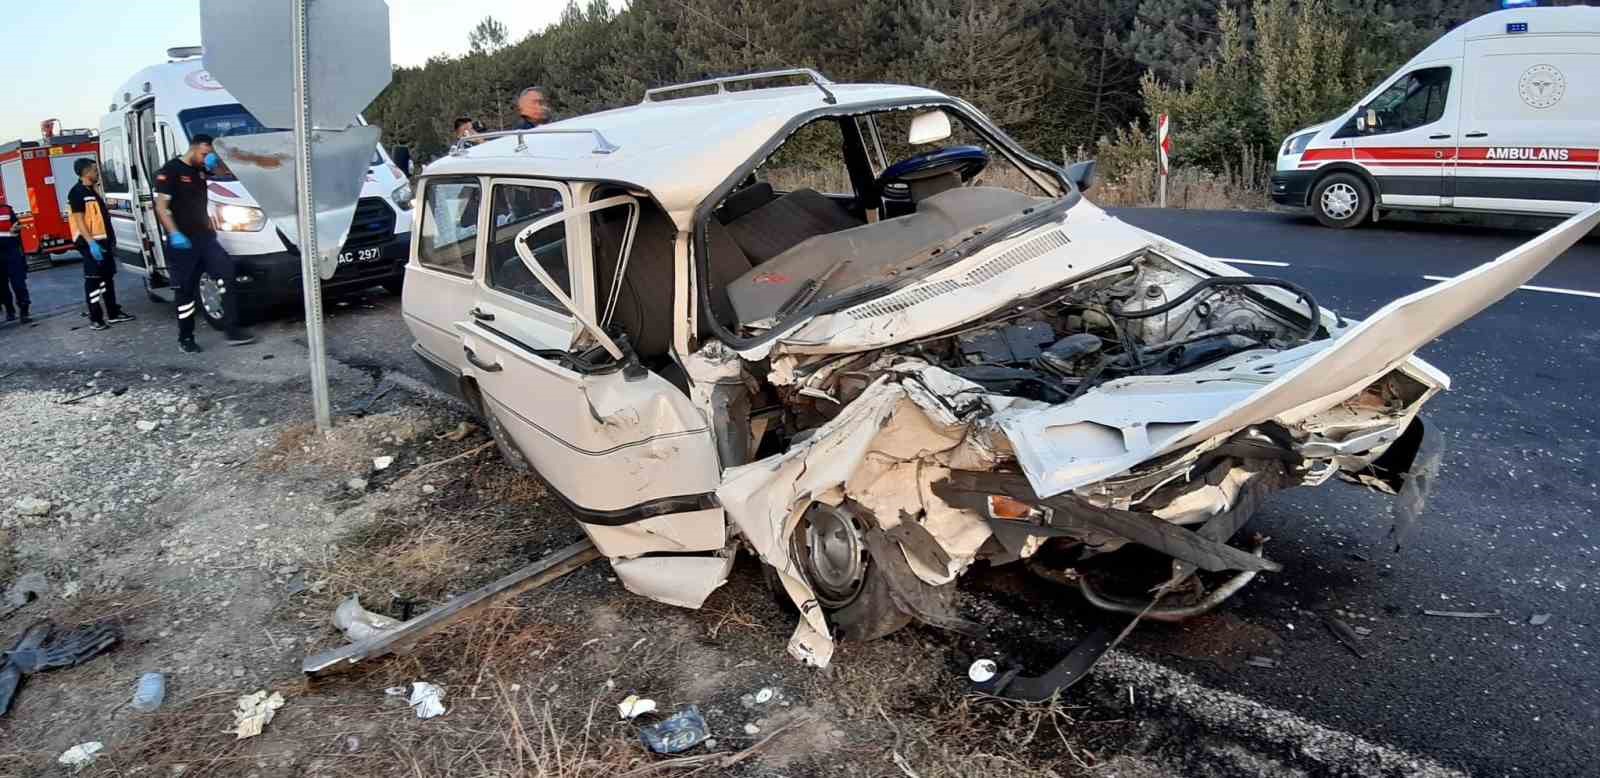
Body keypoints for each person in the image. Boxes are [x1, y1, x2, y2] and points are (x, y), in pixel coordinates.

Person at [154, 134, 255, 352]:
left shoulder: (200, 170)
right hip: (182, 241)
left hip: (205, 238)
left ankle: (232, 329)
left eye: (209, 154)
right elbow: (161, 207)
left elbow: (223, 175)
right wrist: (174, 234)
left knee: (226, 274)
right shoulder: (170, 171)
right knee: (185, 290)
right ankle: (186, 338)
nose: (206, 158)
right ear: (194, 148)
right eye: (205, 153)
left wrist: (214, 161)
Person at [68, 159, 133, 330]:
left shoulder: (93, 190)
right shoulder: (77, 192)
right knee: (93, 281)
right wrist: (90, 243)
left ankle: (113, 313)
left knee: (107, 278)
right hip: (91, 243)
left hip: (103, 241)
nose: (97, 173)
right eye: (95, 170)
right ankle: (95, 318)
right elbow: (79, 220)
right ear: (85, 172)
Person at [0, 201, 28, 324]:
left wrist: (16, 229)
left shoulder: (7, 210)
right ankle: (9, 310)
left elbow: (17, 227)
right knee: (2, 286)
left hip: (12, 252)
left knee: (19, 283)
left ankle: (24, 311)